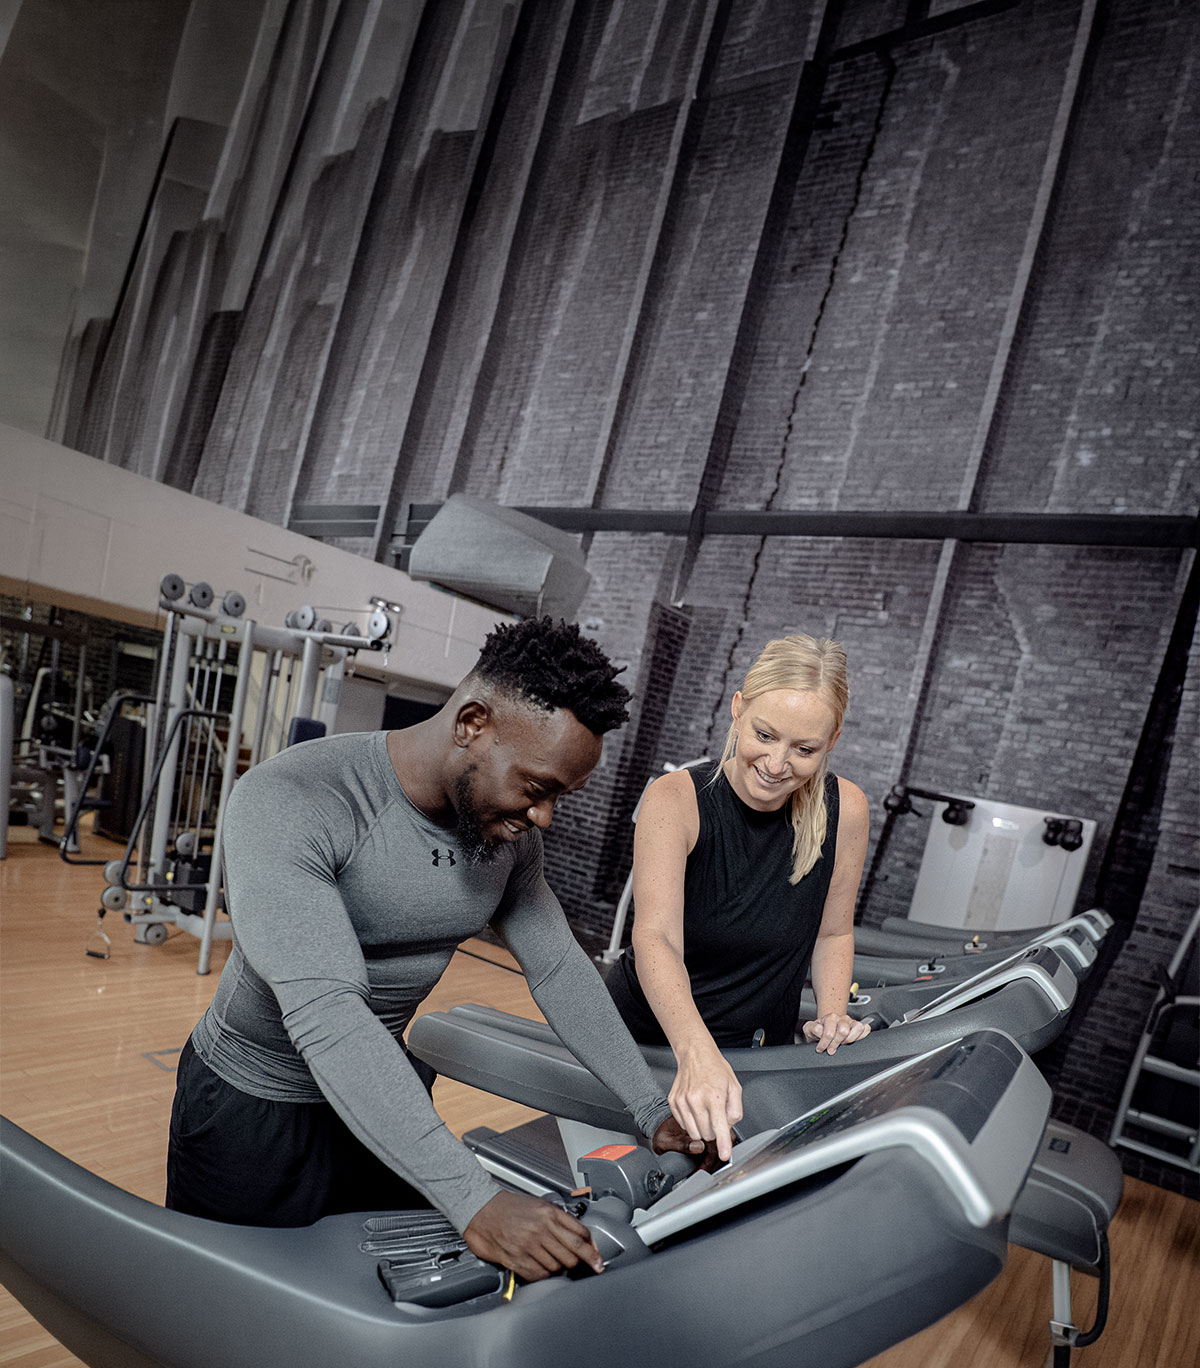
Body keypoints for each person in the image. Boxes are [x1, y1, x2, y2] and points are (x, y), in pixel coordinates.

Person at [166, 616, 709, 1282]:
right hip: (252, 1108)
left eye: (560, 797)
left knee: (376, 1297)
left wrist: (651, 1110)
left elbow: (560, 967)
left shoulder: (508, 840)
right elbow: (329, 1014)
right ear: (471, 723)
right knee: (225, 1310)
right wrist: (472, 1197)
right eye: (537, 789)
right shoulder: (295, 799)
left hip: (383, 1097)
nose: (544, 818)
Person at [606, 633, 871, 1162]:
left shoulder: (849, 809)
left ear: (832, 741)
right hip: (652, 1045)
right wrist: (695, 1050)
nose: (777, 763)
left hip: (755, 1056)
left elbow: (834, 930)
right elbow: (655, 937)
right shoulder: (676, 799)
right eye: (765, 735)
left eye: (804, 749)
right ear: (737, 709)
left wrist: (833, 1013)